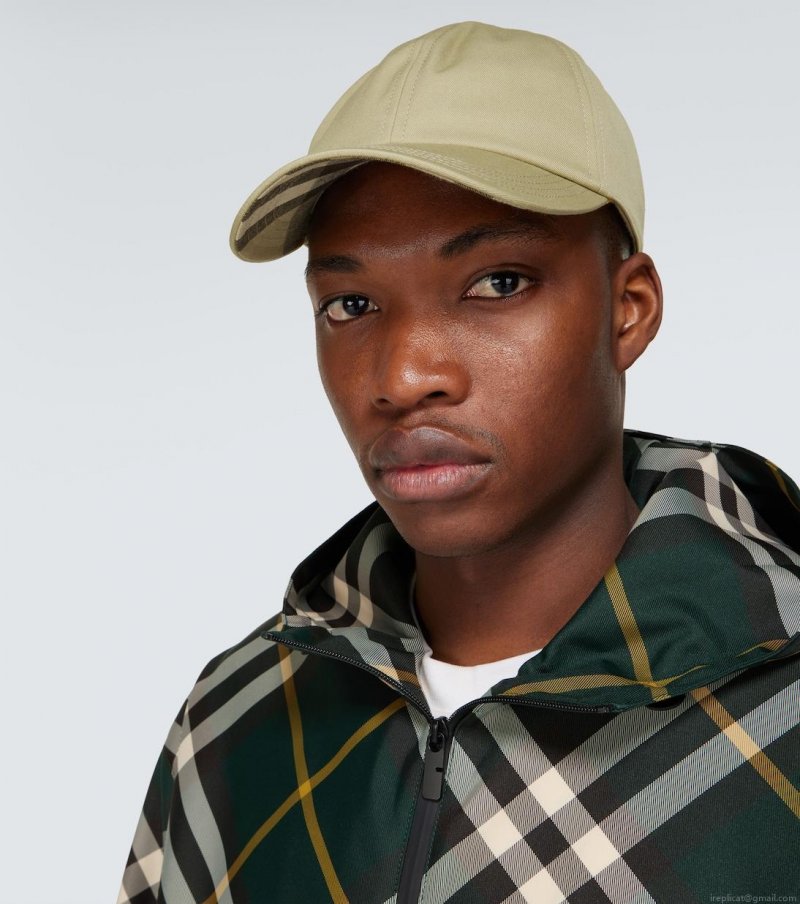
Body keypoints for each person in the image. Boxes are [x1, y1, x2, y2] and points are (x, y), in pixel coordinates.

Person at [118, 21, 800, 904]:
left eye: (498, 283)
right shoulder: (234, 722)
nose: (403, 378)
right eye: (350, 304)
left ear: (627, 309)